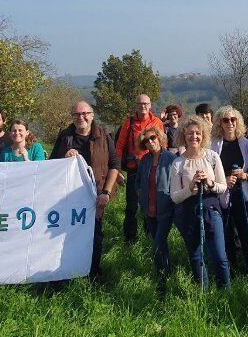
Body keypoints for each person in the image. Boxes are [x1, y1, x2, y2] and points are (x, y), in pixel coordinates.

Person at [50, 101, 121, 281]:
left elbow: (114, 165)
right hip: (68, 196)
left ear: (92, 115)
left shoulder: (104, 136)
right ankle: (67, 271)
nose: (81, 117)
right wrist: (65, 158)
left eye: (85, 113)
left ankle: (93, 274)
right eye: (76, 114)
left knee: (95, 233)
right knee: (68, 234)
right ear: (72, 117)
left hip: (97, 194)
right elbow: (51, 164)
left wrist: (106, 192)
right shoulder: (65, 136)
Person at [171, 114, 230, 289]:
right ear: (184, 135)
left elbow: (222, 186)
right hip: (189, 210)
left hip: (211, 208)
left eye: (198, 133)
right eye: (190, 133)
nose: (194, 136)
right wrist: (190, 188)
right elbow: (175, 196)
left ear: (203, 135)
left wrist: (210, 183)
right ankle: (202, 293)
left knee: (220, 256)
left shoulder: (212, 157)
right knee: (196, 256)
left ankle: (225, 292)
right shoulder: (178, 163)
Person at [211, 106, 248, 275]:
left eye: (233, 119)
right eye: (225, 120)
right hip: (221, 195)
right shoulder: (213, 145)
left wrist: (245, 175)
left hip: (242, 194)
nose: (230, 123)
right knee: (226, 233)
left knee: (247, 232)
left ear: (238, 121)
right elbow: (208, 170)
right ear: (220, 123)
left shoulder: (247, 144)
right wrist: (223, 180)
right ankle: (231, 271)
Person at [136, 127, 182, 291]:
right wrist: (141, 196)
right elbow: (138, 182)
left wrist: (171, 201)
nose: (150, 142)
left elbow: (178, 183)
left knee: (157, 244)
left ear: (159, 137)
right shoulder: (145, 160)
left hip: (166, 210)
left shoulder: (171, 159)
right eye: (146, 141)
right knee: (160, 244)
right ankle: (167, 271)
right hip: (149, 210)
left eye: (153, 138)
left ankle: (161, 279)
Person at [115, 94, 165, 244]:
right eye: (140, 104)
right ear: (136, 106)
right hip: (134, 170)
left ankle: (151, 237)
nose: (143, 106)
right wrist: (117, 170)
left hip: (153, 167)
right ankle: (130, 240)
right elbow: (120, 146)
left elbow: (163, 144)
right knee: (132, 206)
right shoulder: (128, 123)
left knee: (151, 205)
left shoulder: (157, 122)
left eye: (146, 104)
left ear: (150, 105)